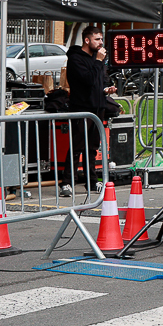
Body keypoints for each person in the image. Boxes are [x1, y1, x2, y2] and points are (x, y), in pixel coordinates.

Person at [62, 26, 117, 198]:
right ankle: (67, 182)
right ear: (87, 40)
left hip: (98, 106)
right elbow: (88, 80)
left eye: (101, 39)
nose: (101, 43)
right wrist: (98, 61)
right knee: (77, 145)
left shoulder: (96, 58)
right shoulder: (76, 59)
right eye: (97, 39)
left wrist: (107, 88)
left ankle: (92, 181)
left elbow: (101, 80)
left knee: (92, 147)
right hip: (82, 107)